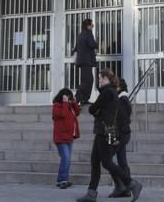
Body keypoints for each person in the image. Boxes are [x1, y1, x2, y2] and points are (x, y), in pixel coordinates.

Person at [76, 69, 142, 202]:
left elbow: (92, 109)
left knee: (106, 162)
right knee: (95, 161)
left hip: (104, 131)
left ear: (106, 79)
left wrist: (96, 109)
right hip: (102, 130)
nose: (99, 81)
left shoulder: (107, 92)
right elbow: (97, 109)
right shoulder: (111, 92)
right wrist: (97, 109)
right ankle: (91, 193)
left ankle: (131, 183)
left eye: (101, 78)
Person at [52, 88, 81, 189]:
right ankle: (63, 180)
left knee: (67, 159)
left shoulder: (69, 106)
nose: (69, 100)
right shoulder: (57, 106)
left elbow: (77, 112)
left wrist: (74, 103)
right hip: (60, 137)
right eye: (68, 97)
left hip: (69, 137)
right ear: (63, 97)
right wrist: (65, 103)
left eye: (70, 98)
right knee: (66, 158)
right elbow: (63, 115)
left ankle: (61, 180)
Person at [108, 79, 132, 198]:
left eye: (116, 85)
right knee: (122, 161)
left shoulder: (122, 100)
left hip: (121, 135)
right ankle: (127, 188)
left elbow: (123, 120)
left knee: (106, 160)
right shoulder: (124, 99)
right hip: (124, 134)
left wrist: (119, 138)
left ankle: (121, 186)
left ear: (119, 87)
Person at [73, 19, 98, 105]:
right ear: (88, 26)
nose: (92, 26)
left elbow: (76, 48)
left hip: (81, 61)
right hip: (87, 61)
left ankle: (83, 99)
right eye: (92, 25)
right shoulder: (88, 33)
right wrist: (97, 44)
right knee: (88, 80)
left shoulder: (80, 35)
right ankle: (78, 97)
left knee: (86, 80)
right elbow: (92, 44)